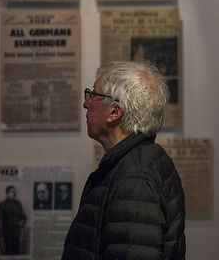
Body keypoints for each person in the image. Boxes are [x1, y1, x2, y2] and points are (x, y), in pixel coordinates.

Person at [62, 61, 185, 260]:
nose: (86, 103)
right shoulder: (137, 163)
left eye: (94, 95)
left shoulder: (135, 178)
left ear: (114, 112)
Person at [0, 185, 27, 255]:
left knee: (16, 254)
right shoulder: (2, 205)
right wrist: (0, 237)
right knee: (6, 254)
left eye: (15, 192)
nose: (14, 194)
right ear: (7, 193)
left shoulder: (18, 204)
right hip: (6, 237)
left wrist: (21, 223)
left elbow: (24, 217)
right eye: (12, 192)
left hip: (16, 236)